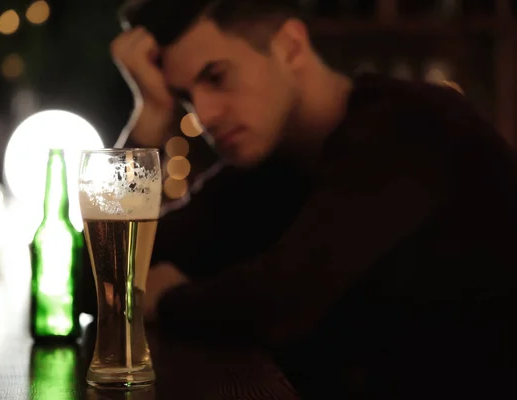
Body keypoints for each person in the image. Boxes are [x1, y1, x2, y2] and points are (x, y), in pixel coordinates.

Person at [109, 0, 517, 397]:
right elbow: (103, 269)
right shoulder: (263, 169)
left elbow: (285, 300)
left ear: (290, 46)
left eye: (216, 77)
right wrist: (147, 120)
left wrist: (163, 299)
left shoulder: (415, 125)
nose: (204, 115)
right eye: (186, 97)